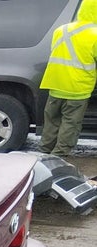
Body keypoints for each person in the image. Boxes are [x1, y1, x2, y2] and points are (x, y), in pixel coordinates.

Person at [39, 0, 97, 156]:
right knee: (70, 124)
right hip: (77, 89)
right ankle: (59, 157)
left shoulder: (60, 29)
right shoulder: (95, 35)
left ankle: (44, 153)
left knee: (51, 123)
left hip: (55, 85)